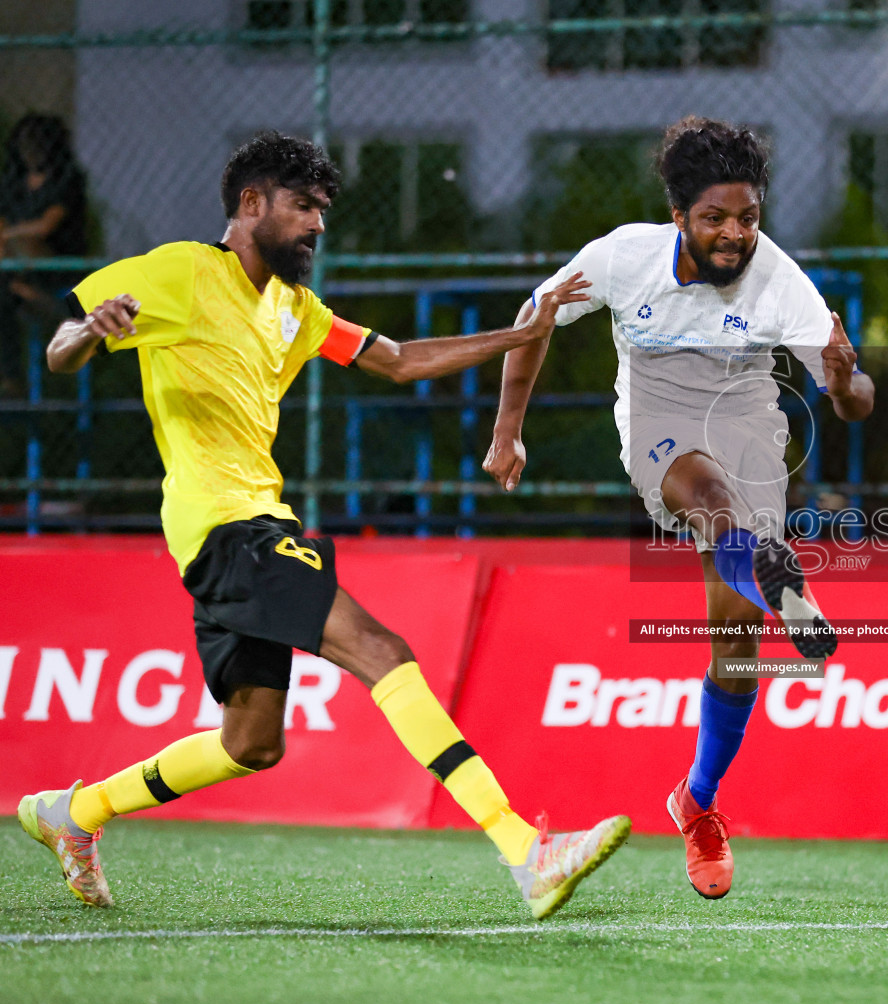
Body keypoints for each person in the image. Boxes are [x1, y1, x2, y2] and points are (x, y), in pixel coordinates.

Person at [17, 130, 629, 920]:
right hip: (226, 527)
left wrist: (521, 334)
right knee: (382, 651)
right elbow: (61, 346)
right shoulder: (177, 270)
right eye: (304, 206)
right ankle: (524, 849)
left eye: (322, 210)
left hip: (245, 527)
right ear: (251, 204)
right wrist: (91, 330)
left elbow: (400, 359)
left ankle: (74, 813)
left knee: (251, 743)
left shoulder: (295, 309)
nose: (318, 224)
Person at [482, 116, 875, 900]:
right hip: (659, 424)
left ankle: (696, 803)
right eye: (716, 218)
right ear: (679, 218)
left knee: (734, 647)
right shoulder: (621, 259)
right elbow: (536, 320)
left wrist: (841, 382)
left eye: (749, 217)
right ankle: (777, 576)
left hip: (748, 423)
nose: (736, 234)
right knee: (714, 504)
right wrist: (507, 433)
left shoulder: (782, 281)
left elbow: (858, 400)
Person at [0, 113, 89, 394]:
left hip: (56, 263)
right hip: (15, 266)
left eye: (38, 143)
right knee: (4, 293)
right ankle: (11, 377)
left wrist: (10, 236)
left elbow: (46, 227)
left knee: (26, 247)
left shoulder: (66, 179)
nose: (31, 150)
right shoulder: (14, 181)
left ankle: (42, 301)